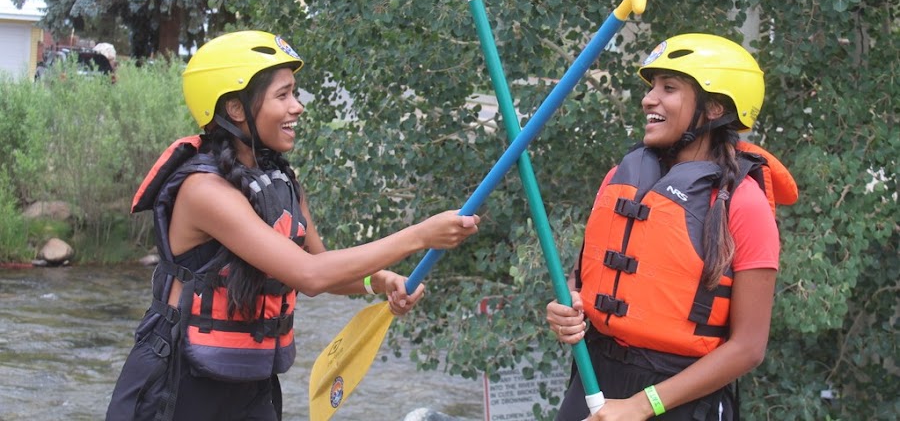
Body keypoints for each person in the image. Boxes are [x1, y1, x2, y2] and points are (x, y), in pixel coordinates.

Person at [106, 30, 479, 421]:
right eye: (282, 95)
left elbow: (322, 267)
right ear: (236, 108)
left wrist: (379, 282)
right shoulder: (205, 191)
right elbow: (311, 274)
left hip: (249, 384)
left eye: (294, 94)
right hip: (177, 385)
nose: (297, 107)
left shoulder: (279, 180)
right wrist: (420, 235)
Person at [546, 33, 797, 420]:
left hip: (679, 400)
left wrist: (643, 406)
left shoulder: (744, 205)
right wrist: (570, 306)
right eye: (651, 88)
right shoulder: (621, 178)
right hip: (595, 380)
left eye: (670, 88)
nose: (649, 99)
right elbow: (585, 278)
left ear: (714, 108)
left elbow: (748, 347)